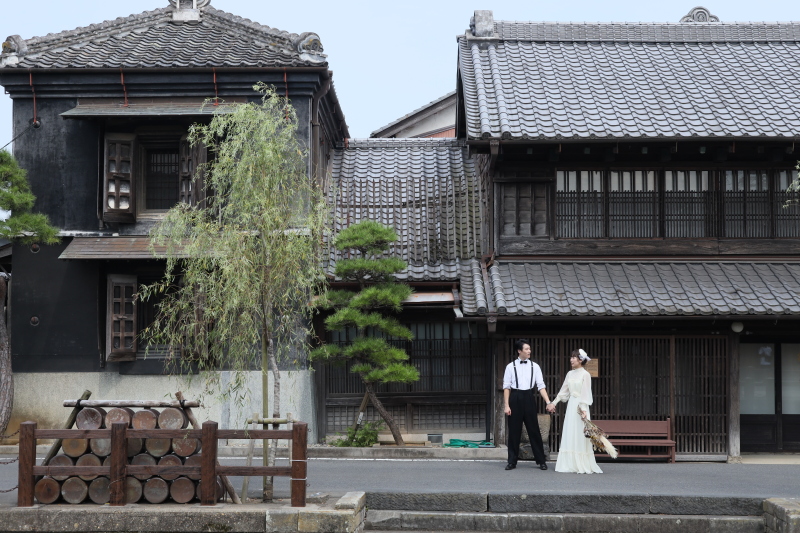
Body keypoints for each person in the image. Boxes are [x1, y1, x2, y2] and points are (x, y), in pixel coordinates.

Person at [545, 348, 603, 474]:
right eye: (571, 357)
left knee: (580, 433)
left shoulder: (586, 374)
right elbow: (563, 392)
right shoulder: (569, 374)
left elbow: (586, 393)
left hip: (581, 406)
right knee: (570, 431)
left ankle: (581, 463)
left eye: (573, 357)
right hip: (571, 405)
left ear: (580, 360)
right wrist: (553, 403)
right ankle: (569, 464)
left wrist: (583, 409)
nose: (571, 359)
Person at [503, 339, 552, 471]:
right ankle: (512, 461)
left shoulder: (535, 366)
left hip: (529, 397)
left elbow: (541, 386)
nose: (529, 351)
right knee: (514, 431)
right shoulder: (510, 366)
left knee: (534, 430)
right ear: (519, 351)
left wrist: (548, 402)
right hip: (515, 397)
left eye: (529, 349)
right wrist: (507, 405)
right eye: (526, 349)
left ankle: (541, 460)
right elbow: (506, 387)